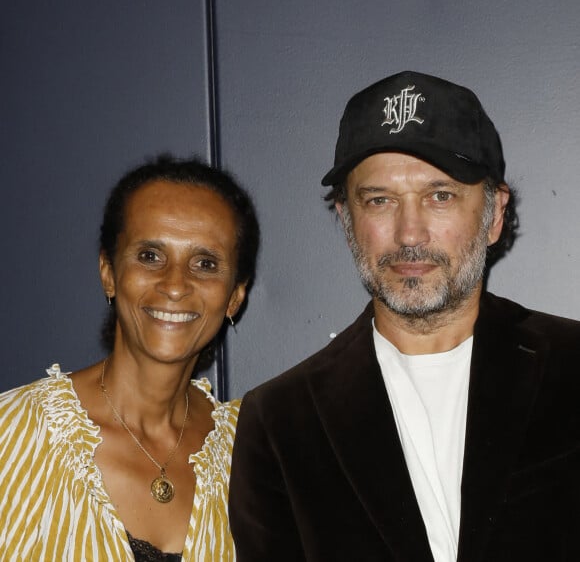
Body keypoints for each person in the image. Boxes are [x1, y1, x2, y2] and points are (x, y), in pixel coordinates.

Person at [229, 71, 580, 562]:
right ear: (346, 220)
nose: (409, 233)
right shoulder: (280, 422)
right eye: (380, 200)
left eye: (440, 196)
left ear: (494, 214)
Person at [0, 154, 259, 561]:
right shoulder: (11, 435)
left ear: (235, 297)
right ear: (108, 272)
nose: (175, 285)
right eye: (150, 256)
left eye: (205, 263)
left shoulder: (253, 458)